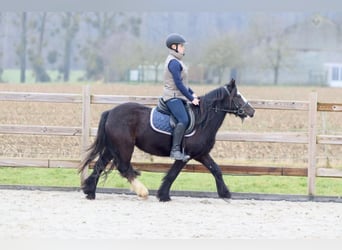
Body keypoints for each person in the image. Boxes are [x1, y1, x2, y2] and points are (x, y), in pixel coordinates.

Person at [162, 33, 200, 161]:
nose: (183, 48)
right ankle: (175, 151)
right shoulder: (173, 62)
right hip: (172, 96)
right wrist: (191, 98)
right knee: (183, 120)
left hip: (177, 95)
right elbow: (178, 84)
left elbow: (183, 83)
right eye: (181, 46)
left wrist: (192, 93)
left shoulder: (177, 61)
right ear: (174, 47)